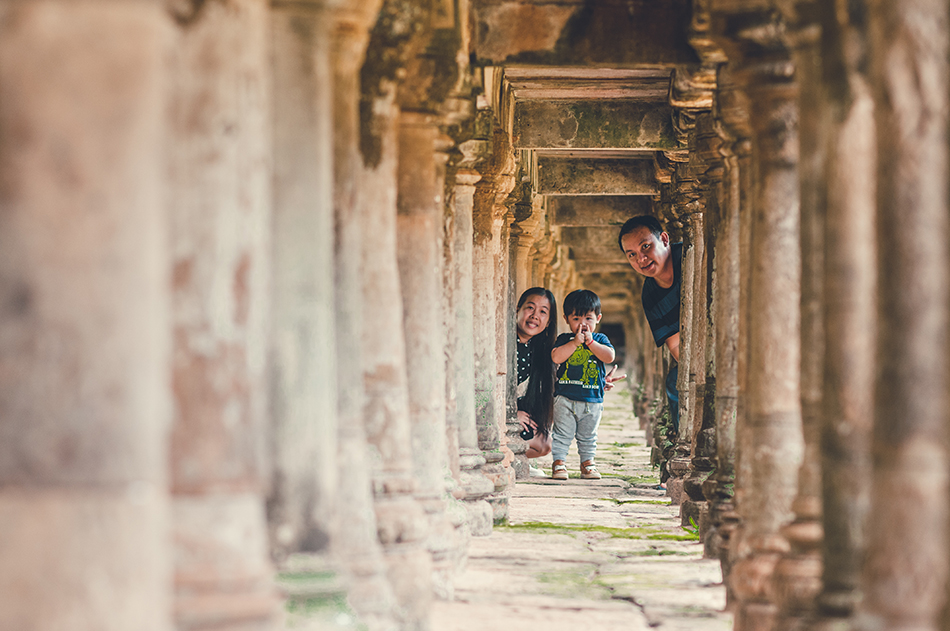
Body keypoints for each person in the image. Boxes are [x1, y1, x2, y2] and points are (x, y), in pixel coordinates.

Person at [618, 215, 681, 485]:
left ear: (664, 239)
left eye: (646, 247)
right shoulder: (650, 295)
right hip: (701, 358)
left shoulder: (689, 257)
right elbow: (675, 345)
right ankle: (686, 448)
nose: (641, 259)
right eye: (632, 255)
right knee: (676, 383)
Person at [549, 289, 615, 481]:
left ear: (598, 318)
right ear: (566, 319)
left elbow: (609, 357)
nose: (583, 324)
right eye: (576, 318)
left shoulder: (600, 339)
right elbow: (556, 357)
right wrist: (575, 343)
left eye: (588, 318)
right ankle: (559, 462)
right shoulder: (565, 339)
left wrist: (590, 342)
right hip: (565, 398)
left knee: (588, 435)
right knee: (562, 434)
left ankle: (587, 463)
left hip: (592, 400)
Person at [515, 288, 558, 470]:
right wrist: (510, 415)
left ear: (548, 322)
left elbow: (560, 380)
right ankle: (510, 461)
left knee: (544, 443)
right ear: (517, 309)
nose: (534, 316)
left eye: (543, 312)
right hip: (490, 414)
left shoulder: (541, 349)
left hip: (518, 413)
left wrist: (596, 383)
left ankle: (515, 459)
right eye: (530, 308)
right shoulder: (501, 339)